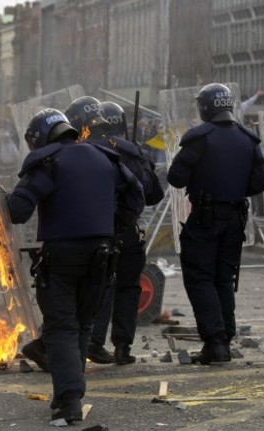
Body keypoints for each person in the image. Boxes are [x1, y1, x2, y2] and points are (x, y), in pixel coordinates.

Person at [5, 108, 144, 423]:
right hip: (103, 253)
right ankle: (70, 393)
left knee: (62, 327)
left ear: (41, 137)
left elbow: (18, 211)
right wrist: (115, 225)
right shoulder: (104, 157)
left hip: (63, 255)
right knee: (82, 324)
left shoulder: (49, 163)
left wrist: (1, 198)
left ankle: (69, 400)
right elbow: (137, 192)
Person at [167, 83, 264, 364]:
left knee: (200, 277)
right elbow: (260, 182)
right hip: (235, 218)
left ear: (205, 108)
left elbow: (176, 178)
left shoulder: (199, 138)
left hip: (205, 217)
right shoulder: (248, 138)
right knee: (224, 278)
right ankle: (224, 336)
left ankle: (214, 341)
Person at [63, 97, 164, 365]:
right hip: (127, 231)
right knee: (128, 288)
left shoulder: (79, 149)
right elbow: (153, 193)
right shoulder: (131, 150)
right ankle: (123, 347)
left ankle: (93, 343)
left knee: (99, 287)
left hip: (94, 231)